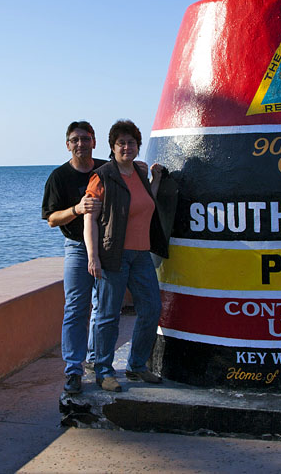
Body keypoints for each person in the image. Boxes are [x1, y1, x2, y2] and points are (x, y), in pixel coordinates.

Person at [84, 119, 169, 392]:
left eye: (131, 143)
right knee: (109, 315)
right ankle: (104, 371)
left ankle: (136, 366)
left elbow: (147, 204)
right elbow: (90, 219)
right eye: (121, 143)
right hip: (113, 255)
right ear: (112, 146)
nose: (126, 147)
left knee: (151, 309)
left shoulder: (140, 174)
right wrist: (93, 256)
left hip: (141, 254)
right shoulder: (103, 175)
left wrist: (154, 181)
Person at [42, 121, 106, 395]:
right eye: (75, 139)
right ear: (68, 144)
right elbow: (52, 219)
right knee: (76, 308)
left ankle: (95, 360)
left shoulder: (106, 170)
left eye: (86, 138)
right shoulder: (59, 177)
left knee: (103, 307)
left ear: (95, 141)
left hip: (107, 246)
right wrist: (77, 209)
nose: (81, 143)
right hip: (77, 248)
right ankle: (73, 370)